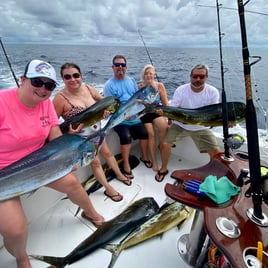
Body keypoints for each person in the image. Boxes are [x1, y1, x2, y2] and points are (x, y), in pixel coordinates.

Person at [0, 59, 104, 268]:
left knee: (73, 183)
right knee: (16, 230)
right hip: (5, 173)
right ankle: (22, 258)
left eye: (49, 85)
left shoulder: (46, 104)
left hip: (42, 163)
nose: (43, 89)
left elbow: (55, 134)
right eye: (37, 82)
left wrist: (67, 155)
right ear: (23, 80)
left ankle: (90, 213)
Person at [53, 62, 132, 203]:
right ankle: (108, 189)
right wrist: (68, 133)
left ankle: (119, 174)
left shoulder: (89, 89)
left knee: (108, 154)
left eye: (76, 75)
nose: (73, 79)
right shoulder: (60, 99)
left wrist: (107, 112)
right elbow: (53, 125)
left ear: (81, 75)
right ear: (63, 79)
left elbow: (105, 102)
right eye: (67, 77)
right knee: (95, 163)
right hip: (81, 138)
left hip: (98, 130)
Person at [155, 64, 221, 182]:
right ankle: (163, 168)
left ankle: (214, 174)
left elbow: (213, 114)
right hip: (181, 125)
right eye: (195, 76)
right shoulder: (181, 90)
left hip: (201, 127)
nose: (198, 79)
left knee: (216, 152)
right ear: (190, 76)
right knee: (165, 145)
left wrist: (226, 123)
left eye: (201, 76)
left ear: (206, 77)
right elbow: (173, 109)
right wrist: (164, 113)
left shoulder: (213, 92)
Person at [103, 55, 151, 179]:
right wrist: (125, 115)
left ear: (126, 67)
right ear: (112, 67)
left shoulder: (131, 80)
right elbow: (112, 106)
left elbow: (137, 97)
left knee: (144, 133)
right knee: (126, 137)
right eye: (117, 65)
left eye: (123, 65)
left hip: (133, 115)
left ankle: (144, 156)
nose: (120, 67)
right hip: (120, 117)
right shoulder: (109, 85)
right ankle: (126, 164)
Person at [138, 64, 169, 172]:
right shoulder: (139, 86)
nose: (149, 75)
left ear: (154, 75)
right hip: (144, 112)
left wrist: (168, 117)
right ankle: (154, 161)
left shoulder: (160, 86)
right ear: (143, 75)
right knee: (151, 134)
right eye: (146, 73)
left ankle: (161, 146)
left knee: (164, 127)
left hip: (156, 110)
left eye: (151, 73)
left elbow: (165, 104)